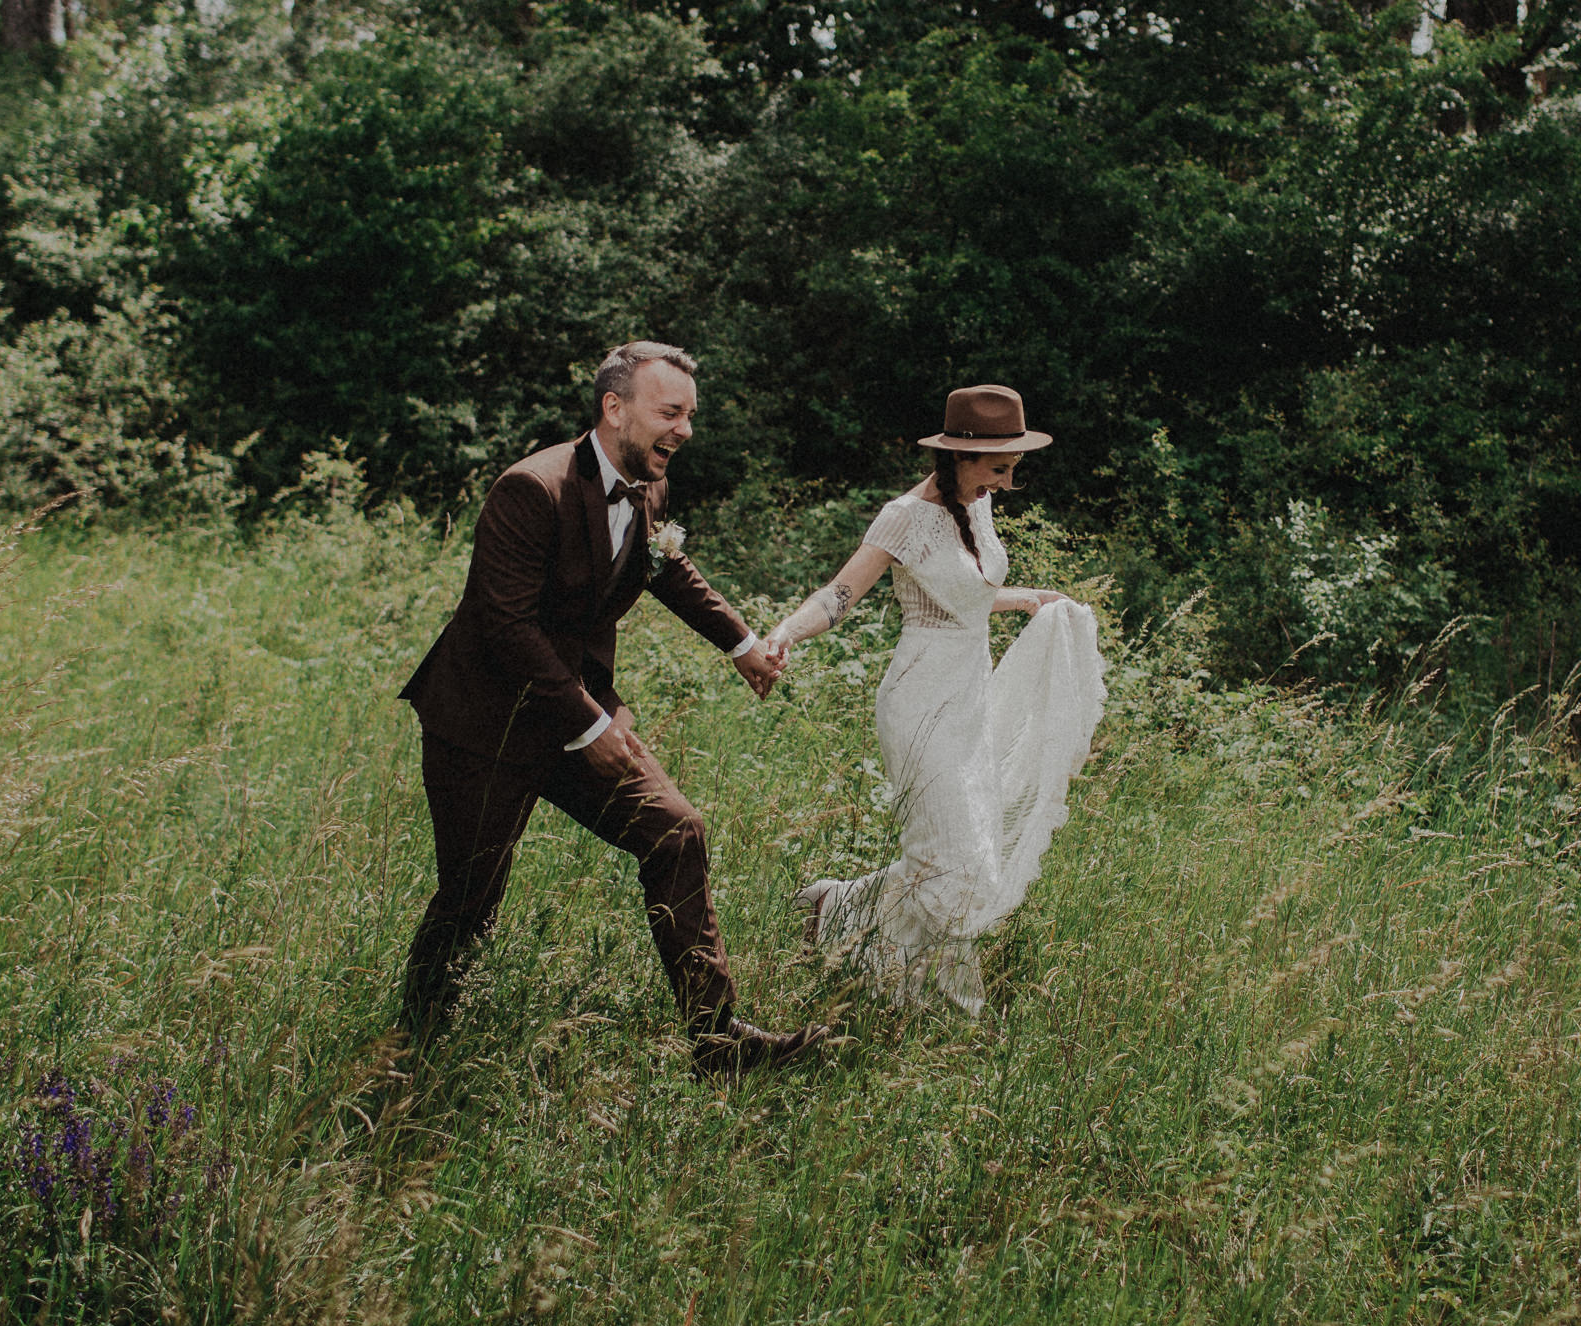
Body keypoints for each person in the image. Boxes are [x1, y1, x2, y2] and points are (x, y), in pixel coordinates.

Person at [397, 341, 832, 1075]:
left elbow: (665, 568)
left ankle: (716, 1039)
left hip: (574, 719)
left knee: (675, 832)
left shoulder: (646, 484)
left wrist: (742, 644)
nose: (684, 428)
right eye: (670, 412)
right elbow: (503, 625)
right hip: (482, 724)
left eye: (690, 415)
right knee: (470, 897)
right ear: (614, 408)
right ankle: (415, 1049)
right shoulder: (529, 489)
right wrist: (591, 721)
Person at [764, 385, 1107, 1013]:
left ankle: (841, 909)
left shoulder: (975, 505)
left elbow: (968, 595)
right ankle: (875, 951)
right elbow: (840, 594)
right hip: (921, 700)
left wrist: (1032, 598)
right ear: (959, 456)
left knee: (969, 857)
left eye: (1013, 469)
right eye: (998, 469)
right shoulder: (904, 516)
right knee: (946, 860)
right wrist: (784, 632)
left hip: (971, 693)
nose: (1005, 483)